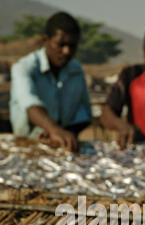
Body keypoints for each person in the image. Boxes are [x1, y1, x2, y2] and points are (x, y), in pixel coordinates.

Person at [10, 12, 92, 152]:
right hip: (28, 145)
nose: (66, 51)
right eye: (61, 45)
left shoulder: (76, 70)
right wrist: (53, 129)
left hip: (63, 148)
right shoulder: (24, 68)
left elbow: (83, 113)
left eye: (72, 46)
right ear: (45, 40)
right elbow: (30, 105)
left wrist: (66, 135)